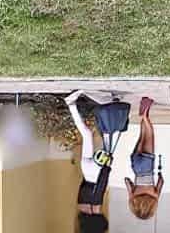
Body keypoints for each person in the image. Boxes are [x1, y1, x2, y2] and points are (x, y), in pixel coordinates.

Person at [66, 90, 110, 233]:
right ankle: (71, 105)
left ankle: (107, 110)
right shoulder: (81, 210)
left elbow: (100, 188)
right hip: (86, 171)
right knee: (86, 134)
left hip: (95, 174)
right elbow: (83, 187)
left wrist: (107, 169)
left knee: (107, 146)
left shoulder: (96, 210)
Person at [125, 96, 164, 220]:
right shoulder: (133, 197)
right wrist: (132, 190)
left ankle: (144, 115)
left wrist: (159, 174)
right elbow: (126, 180)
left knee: (149, 134)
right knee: (142, 134)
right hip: (136, 166)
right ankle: (145, 110)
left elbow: (161, 181)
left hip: (148, 166)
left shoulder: (154, 197)